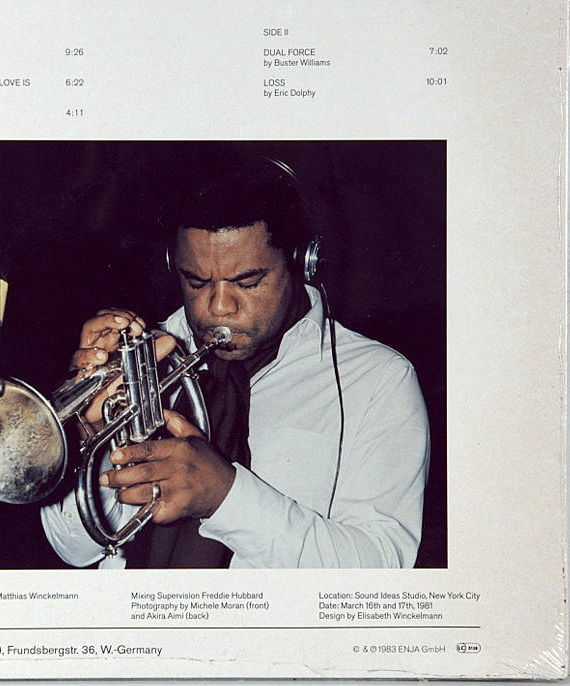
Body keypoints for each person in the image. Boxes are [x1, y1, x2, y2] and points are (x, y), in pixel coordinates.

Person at [40, 155, 430, 568]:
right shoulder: (140, 360)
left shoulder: (378, 380)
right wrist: (90, 440)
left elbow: (381, 568)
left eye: (248, 281)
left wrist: (226, 496)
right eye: (197, 281)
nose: (219, 307)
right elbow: (75, 550)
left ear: (302, 262)